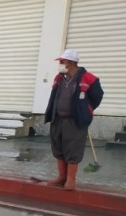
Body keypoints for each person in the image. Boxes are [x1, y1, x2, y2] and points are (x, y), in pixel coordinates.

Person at [43, 49, 103, 191]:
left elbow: (97, 97)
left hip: (75, 121)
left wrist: (85, 110)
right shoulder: (59, 77)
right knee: (58, 149)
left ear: (70, 63)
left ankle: (70, 180)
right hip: (57, 119)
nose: (60, 64)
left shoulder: (88, 78)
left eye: (62, 61)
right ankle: (61, 177)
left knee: (73, 150)